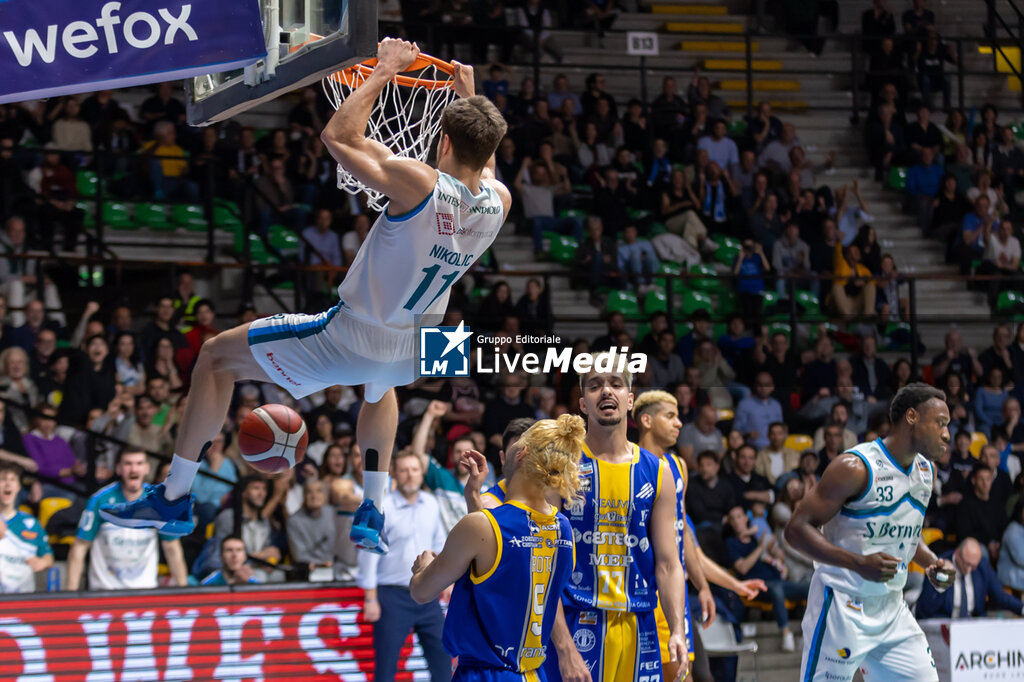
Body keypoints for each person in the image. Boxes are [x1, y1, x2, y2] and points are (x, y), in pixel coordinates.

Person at [100, 39, 512, 558]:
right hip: (419, 347)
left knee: (214, 357)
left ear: (444, 142)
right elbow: (487, 166)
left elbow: (338, 135)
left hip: (353, 332)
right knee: (380, 387)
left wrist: (385, 69)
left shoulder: (420, 183)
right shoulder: (498, 203)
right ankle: (373, 509)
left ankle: (174, 496)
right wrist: (469, 99)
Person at [785, 383, 954, 681]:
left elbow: (906, 533)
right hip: (841, 606)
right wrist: (858, 563)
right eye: (939, 423)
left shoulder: (927, 472)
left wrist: (930, 561)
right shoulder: (855, 467)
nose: (946, 434)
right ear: (912, 417)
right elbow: (796, 530)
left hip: (892, 608)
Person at [542, 353, 689, 682]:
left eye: (616, 384)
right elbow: (544, 560)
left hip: (640, 624)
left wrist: (677, 630)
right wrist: (564, 647)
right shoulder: (560, 465)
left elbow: (668, 563)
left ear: (630, 399)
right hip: (577, 620)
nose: (606, 391)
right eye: (595, 386)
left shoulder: (658, 473)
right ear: (583, 404)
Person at [407, 415, 585, 682]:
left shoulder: (480, 526)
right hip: (533, 674)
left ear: (520, 454)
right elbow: (506, 559)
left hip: (484, 674)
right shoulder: (563, 528)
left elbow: (421, 592)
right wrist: (474, 497)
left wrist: (424, 568)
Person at [633, 390, 716, 682]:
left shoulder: (679, 466)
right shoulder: (630, 465)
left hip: (672, 589)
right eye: (670, 416)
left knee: (683, 674)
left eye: (679, 416)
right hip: (640, 590)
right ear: (646, 420)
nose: (679, 423)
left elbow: (681, 534)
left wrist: (702, 586)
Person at [357, 449, 450, 682]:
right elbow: (368, 554)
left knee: (442, 662)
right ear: (396, 474)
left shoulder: (431, 504)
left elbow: (439, 545)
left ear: (421, 474)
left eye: (415, 470)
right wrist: (370, 598)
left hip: (428, 596)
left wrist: (446, 582)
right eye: (405, 470)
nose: (410, 475)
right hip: (392, 596)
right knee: (386, 667)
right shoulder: (381, 506)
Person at [67, 449, 188, 590]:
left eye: (139, 463)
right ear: (118, 469)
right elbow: (80, 547)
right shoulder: (100, 500)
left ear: (147, 468)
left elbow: (172, 547)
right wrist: (70, 595)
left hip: (145, 592)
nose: (133, 469)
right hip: (104, 592)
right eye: (128, 464)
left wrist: (183, 591)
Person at [915, 537, 1024, 618]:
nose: (969, 569)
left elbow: (1000, 595)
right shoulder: (940, 564)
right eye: (966, 563)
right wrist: (941, 582)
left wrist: (1021, 608)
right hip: (946, 625)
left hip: (973, 625)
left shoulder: (982, 566)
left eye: (973, 566)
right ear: (957, 554)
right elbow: (925, 609)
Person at [0, 462, 53, 592]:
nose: (7, 484)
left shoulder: (31, 523)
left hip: (23, 599)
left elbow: (48, 556)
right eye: (2, 480)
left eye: (12, 480)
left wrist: (43, 562)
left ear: (18, 487)